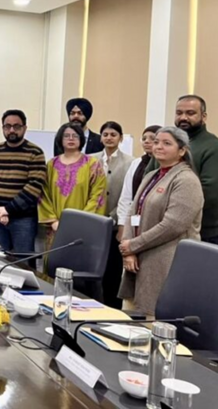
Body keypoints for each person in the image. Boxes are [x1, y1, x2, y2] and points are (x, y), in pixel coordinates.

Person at [118, 127, 203, 315]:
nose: (158, 146)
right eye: (156, 142)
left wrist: (133, 245)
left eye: (166, 143)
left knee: (152, 318)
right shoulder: (152, 175)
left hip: (166, 258)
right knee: (128, 319)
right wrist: (128, 249)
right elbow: (133, 210)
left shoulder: (187, 180)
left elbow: (172, 225)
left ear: (182, 150)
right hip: (137, 256)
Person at [146, 95, 218, 246]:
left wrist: (167, 212)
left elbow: (209, 192)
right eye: (179, 113)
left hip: (200, 232)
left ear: (204, 117)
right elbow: (148, 179)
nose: (183, 117)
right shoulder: (165, 146)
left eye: (190, 113)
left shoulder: (217, 149)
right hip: (158, 227)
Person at [0, 110, 46, 256]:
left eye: (16, 126)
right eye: (7, 126)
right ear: (2, 128)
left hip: (23, 220)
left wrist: (8, 210)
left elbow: (35, 186)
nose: (11, 130)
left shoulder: (35, 152)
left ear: (24, 128)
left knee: (22, 262)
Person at [39, 123, 107, 264]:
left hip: (83, 229)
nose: (71, 138)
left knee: (78, 265)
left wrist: (81, 223)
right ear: (60, 139)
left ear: (81, 139)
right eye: (66, 136)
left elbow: (98, 195)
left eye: (75, 136)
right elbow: (43, 194)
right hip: (56, 228)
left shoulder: (92, 165)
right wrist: (53, 221)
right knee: (54, 265)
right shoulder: (51, 165)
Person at [90, 121, 133, 308]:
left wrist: (114, 217)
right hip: (93, 222)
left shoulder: (130, 162)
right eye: (105, 134)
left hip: (115, 223)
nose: (109, 138)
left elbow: (128, 195)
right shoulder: (90, 159)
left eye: (113, 135)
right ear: (100, 138)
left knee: (112, 270)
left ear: (121, 138)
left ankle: (111, 307)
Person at [117, 125, 161, 242]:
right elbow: (126, 196)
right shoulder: (136, 163)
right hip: (134, 219)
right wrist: (122, 224)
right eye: (144, 138)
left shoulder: (164, 164)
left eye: (152, 138)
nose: (147, 141)